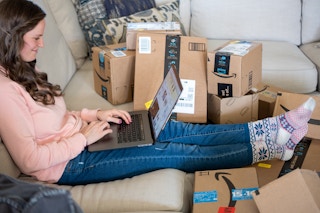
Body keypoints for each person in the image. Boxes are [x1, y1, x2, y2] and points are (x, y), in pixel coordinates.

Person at [0, 0, 316, 185]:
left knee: (175, 127)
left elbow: (52, 119)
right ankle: (270, 147)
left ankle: (274, 129)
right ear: (13, 37)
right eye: (36, 38)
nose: (42, 45)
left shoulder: (22, 67)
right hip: (73, 163)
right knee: (175, 152)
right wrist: (83, 137)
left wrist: (94, 116)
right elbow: (30, 160)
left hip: (86, 136)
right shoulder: (3, 92)